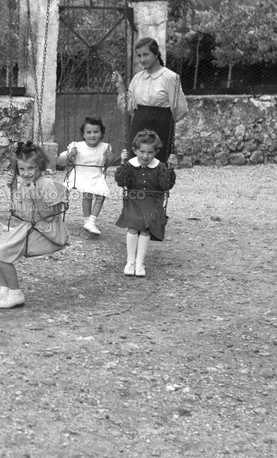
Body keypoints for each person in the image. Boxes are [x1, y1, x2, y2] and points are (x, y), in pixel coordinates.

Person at [0, 141, 70, 308]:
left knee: (2, 252)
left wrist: (36, 198)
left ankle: (16, 293)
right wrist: (13, 189)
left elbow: (50, 217)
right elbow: (20, 211)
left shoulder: (46, 184)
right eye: (22, 169)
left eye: (31, 168)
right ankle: (5, 289)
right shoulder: (24, 183)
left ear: (40, 166)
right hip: (31, 226)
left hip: (48, 233)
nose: (26, 173)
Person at [112, 37, 188, 164]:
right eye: (139, 55)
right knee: (136, 165)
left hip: (161, 128)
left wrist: (165, 122)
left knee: (159, 167)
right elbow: (129, 109)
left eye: (146, 54)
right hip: (138, 127)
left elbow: (181, 109)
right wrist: (120, 87)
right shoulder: (137, 78)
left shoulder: (170, 77)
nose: (142, 59)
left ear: (156, 53)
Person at [115, 129, 176, 278]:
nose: (145, 156)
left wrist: (171, 168)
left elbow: (165, 185)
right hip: (133, 201)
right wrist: (122, 163)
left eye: (150, 152)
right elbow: (122, 182)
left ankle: (139, 262)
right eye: (142, 151)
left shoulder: (160, 166)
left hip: (152, 202)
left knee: (146, 227)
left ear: (155, 152)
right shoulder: (130, 165)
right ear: (135, 150)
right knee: (134, 224)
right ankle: (130, 261)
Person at [57, 116, 113, 235]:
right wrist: (70, 155)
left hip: (96, 174)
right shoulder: (77, 146)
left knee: (101, 195)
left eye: (96, 132)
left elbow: (111, 160)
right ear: (83, 134)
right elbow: (60, 161)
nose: (92, 135)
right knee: (87, 196)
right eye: (89, 132)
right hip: (80, 173)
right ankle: (88, 220)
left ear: (101, 133)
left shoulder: (105, 147)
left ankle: (91, 220)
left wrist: (109, 157)